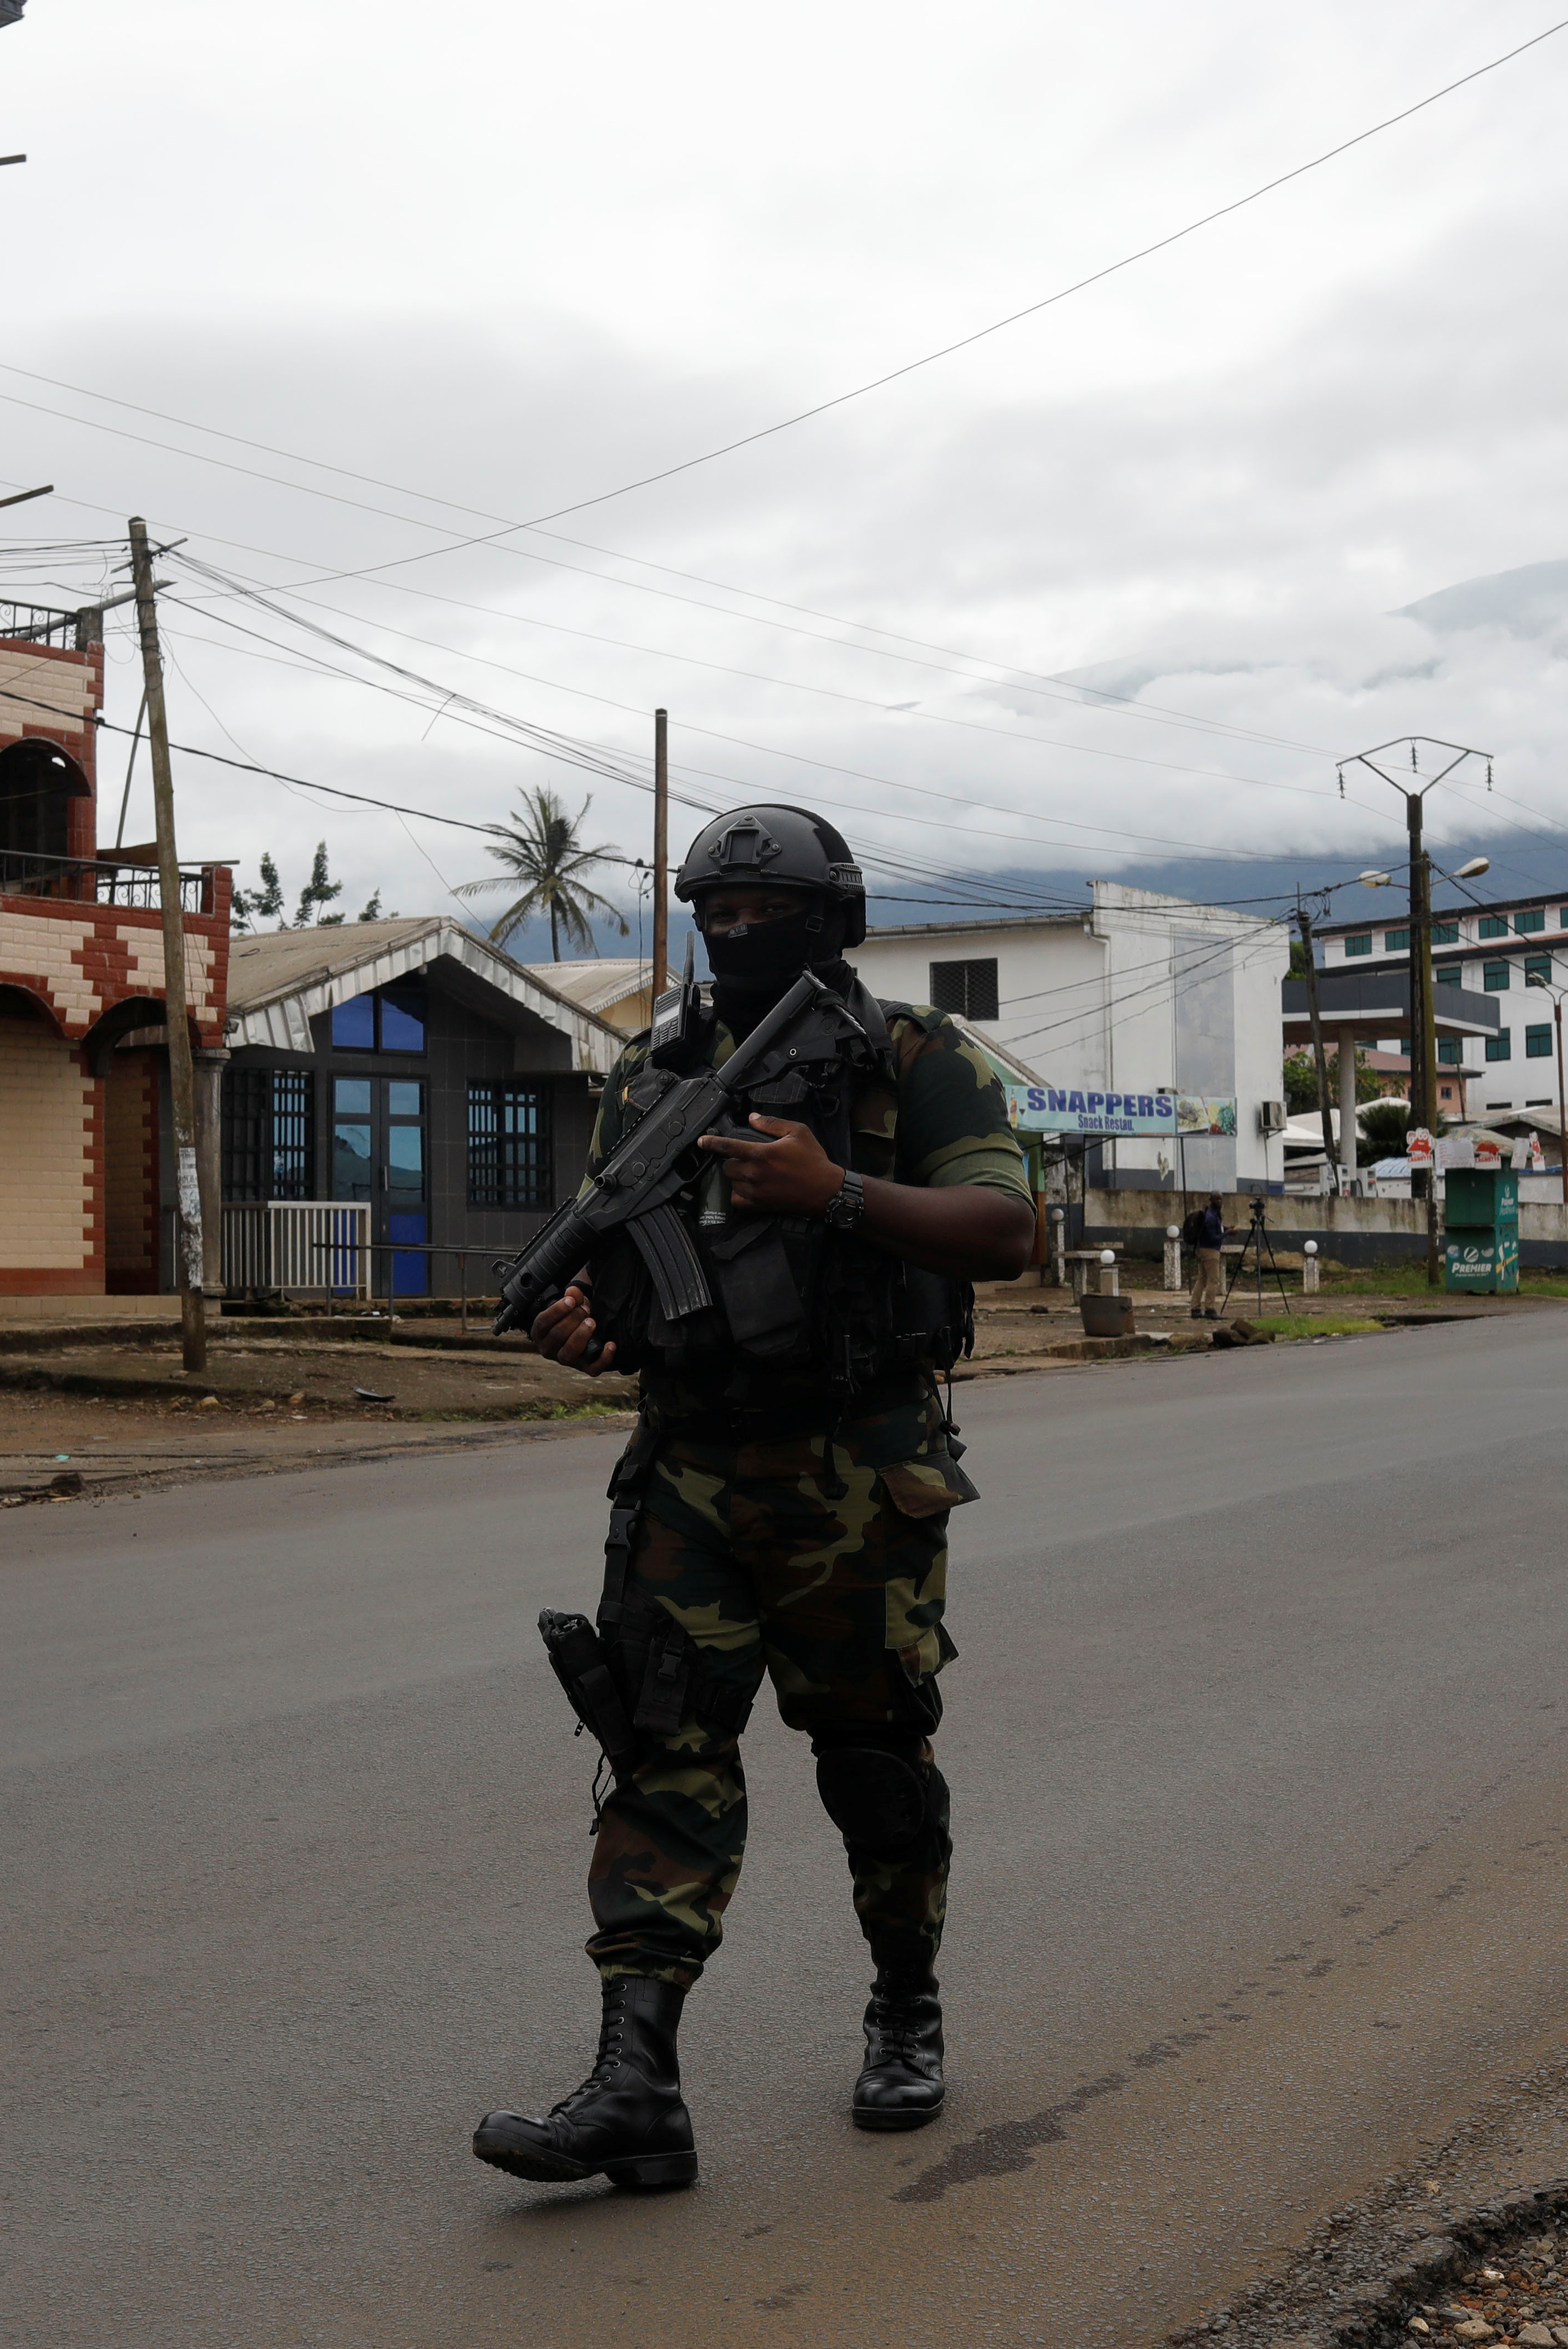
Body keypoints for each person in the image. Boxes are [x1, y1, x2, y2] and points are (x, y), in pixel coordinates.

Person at [472, 805, 1036, 2194]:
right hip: (690, 1470)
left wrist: (833, 1188)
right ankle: (635, 2086)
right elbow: (620, 1295)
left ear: (830, 917)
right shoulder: (654, 1069)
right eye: (711, 916)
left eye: (760, 912)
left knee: (871, 1761)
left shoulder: (918, 1056)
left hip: (858, 1464)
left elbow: (1008, 1232)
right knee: (659, 1749)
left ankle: (905, 2005)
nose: (734, 936)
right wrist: (585, 1331)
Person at [1180, 1196, 1227, 1318]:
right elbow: (1214, 1238)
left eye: (1221, 1199)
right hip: (1210, 1251)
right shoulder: (1211, 1217)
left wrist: (1226, 1229)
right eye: (1217, 1200)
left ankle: (1195, 1309)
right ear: (1211, 1201)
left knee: (1202, 1279)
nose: (1220, 1202)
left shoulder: (1210, 1214)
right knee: (1214, 1280)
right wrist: (1228, 1233)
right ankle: (1210, 1309)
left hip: (1202, 1249)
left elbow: (1213, 1232)